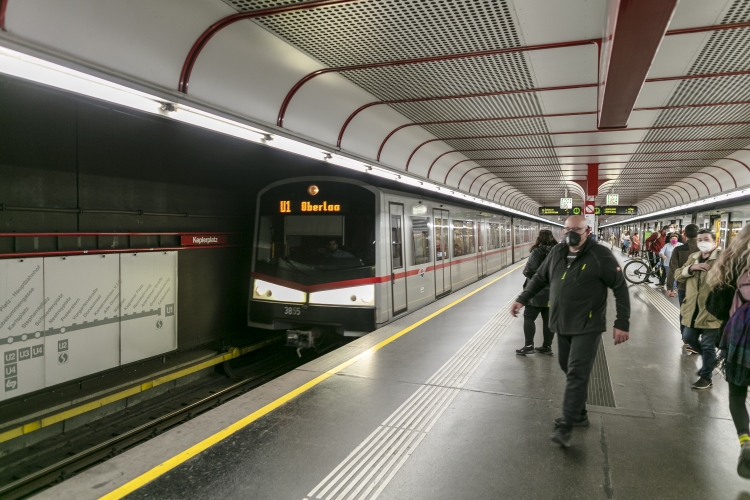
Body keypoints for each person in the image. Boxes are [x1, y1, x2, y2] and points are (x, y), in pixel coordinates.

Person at [510, 215, 630, 448]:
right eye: (568, 229)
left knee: (576, 372)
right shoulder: (557, 252)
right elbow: (539, 278)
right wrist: (522, 299)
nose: (572, 233)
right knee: (567, 366)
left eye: (578, 229)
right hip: (561, 323)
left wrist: (622, 322)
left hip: (588, 325)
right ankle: (580, 412)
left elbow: (620, 288)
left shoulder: (601, 255)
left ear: (588, 231)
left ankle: (566, 424)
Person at [706, 225, 750, 477]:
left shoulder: (732, 263)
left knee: (737, 394)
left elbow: (716, 308)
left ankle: (746, 441)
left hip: (740, 343)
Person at [675, 228, 723, 389]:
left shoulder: (723, 258)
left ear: (714, 241)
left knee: (708, 345)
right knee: (688, 338)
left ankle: (706, 376)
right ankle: (711, 361)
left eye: (706, 239)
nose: (702, 242)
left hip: (712, 310)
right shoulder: (693, 257)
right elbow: (678, 275)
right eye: (700, 239)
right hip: (692, 309)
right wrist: (691, 268)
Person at [516, 230, 558, 355]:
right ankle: (547, 346)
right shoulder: (558, 251)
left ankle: (529, 345)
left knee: (529, 317)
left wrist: (525, 270)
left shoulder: (537, 251)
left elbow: (530, 271)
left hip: (537, 292)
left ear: (539, 238)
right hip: (552, 291)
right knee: (548, 320)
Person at [667, 224, 699, 343]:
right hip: (700, 288)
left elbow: (672, 269)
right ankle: (695, 337)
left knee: (684, 312)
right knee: (699, 311)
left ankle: (686, 339)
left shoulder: (678, 249)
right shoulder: (705, 250)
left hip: (683, 287)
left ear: (684, 235)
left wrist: (670, 287)